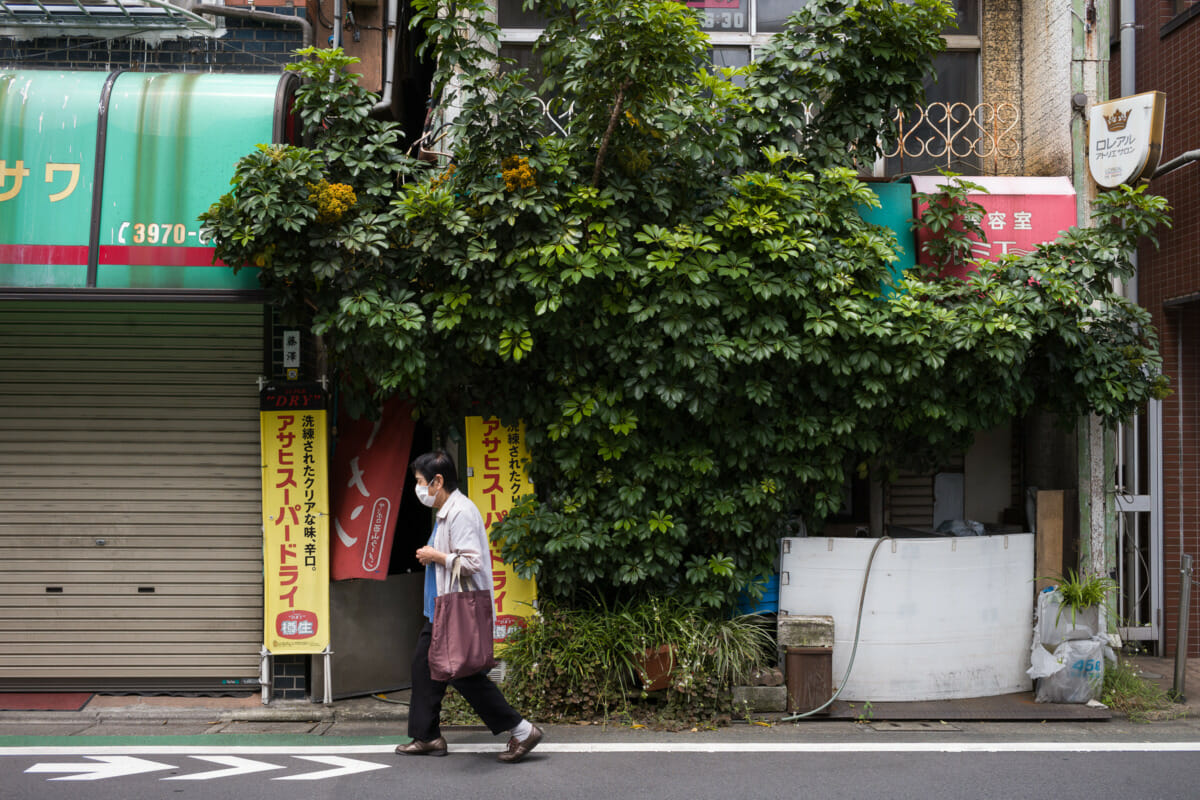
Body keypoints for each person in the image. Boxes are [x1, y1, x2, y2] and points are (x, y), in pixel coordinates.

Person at [395, 449, 544, 763]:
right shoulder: (448, 509)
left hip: (455, 609)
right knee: (424, 668)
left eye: (421, 482)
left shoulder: (461, 511)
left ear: (437, 481)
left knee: (462, 674)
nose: (418, 489)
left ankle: (521, 730)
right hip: (439, 608)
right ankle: (427, 736)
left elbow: (472, 563)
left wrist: (436, 556)